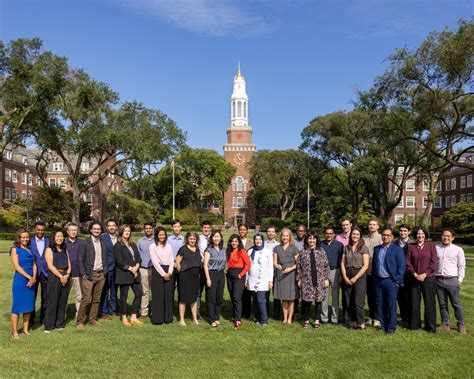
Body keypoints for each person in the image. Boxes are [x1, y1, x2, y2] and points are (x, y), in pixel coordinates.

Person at [372, 228, 406, 335]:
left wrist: (397, 280)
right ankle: (383, 325)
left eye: (388, 235)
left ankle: (391, 327)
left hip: (390, 281)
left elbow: (402, 266)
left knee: (391, 305)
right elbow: (374, 264)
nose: (385, 237)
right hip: (378, 280)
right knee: (381, 304)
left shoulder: (397, 249)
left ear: (391, 237)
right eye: (384, 235)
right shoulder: (376, 248)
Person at [406, 226, 438, 332]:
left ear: (425, 235)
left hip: (428, 279)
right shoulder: (410, 246)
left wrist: (425, 274)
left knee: (429, 302)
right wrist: (415, 274)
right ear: (415, 235)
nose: (420, 235)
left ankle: (430, 326)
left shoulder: (431, 246)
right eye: (418, 234)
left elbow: (434, 262)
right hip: (414, 278)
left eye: (422, 233)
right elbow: (407, 262)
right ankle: (415, 325)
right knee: (414, 302)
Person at [76, 221, 108, 331]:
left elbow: (105, 258)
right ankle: (80, 321)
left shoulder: (102, 242)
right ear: (90, 230)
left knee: (96, 299)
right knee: (86, 299)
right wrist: (83, 274)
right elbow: (80, 260)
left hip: (101, 274)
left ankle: (92, 319)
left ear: (101, 231)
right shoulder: (85, 243)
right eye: (94, 228)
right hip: (89, 275)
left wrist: (105, 272)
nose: (96, 230)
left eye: (98, 229)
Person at [297, 230, 330, 329]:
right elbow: (299, 266)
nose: (311, 240)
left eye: (313, 238)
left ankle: (316, 320)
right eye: (309, 238)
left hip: (319, 280)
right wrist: (299, 279)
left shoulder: (321, 251)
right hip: (307, 280)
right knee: (307, 301)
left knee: (318, 301)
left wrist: (326, 279)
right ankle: (306, 319)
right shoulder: (303, 252)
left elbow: (326, 266)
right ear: (307, 240)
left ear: (316, 240)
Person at [435, 228, 466, 334]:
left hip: (452, 280)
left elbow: (461, 266)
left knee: (456, 304)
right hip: (438, 279)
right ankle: (445, 324)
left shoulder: (458, 250)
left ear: (453, 238)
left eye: (448, 236)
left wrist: (460, 280)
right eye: (444, 235)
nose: (445, 237)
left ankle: (461, 324)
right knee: (442, 304)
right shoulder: (436, 248)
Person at [113, 225, 143, 326]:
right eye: (125, 231)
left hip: (135, 273)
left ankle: (134, 317)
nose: (127, 232)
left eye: (128, 231)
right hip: (124, 274)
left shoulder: (133, 244)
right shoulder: (117, 246)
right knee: (124, 297)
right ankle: (124, 317)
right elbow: (119, 261)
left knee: (139, 293)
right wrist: (131, 269)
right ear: (121, 232)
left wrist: (137, 267)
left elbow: (138, 257)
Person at [341, 227, 369, 330]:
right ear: (350, 235)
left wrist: (355, 278)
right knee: (349, 301)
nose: (355, 236)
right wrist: (344, 276)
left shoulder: (364, 248)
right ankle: (352, 322)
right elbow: (342, 264)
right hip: (347, 274)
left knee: (358, 301)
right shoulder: (346, 247)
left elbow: (365, 266)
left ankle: (361, 323)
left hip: (359, 274)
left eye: (357, 234)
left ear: (360, 236)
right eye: (353, 234)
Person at [10, 229, 36, 340]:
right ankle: (15, 333)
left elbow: (34, 265)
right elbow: (17, 266)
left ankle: (25, 330)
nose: (25, 239)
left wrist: (34, 278)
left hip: (31, 280)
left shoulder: (30, 250)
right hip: (20, 280)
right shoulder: (15, 249)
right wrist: (29, 277)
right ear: (19, 238)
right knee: (17, 307)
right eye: (23, 237)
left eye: (27, 237)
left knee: (28, 306)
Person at [44, 230, 72, 333]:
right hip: (55, 277)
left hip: (65, 277)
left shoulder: (65, 250)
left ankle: (60, 324)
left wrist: (67, 275)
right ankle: (49, 326)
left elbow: (69, 265)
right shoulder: (49, 250)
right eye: (58, 236)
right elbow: (50, 266)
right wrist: (61, 276)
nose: (60, 238)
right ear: (53, 237)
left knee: (62, 301)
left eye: (61, 236)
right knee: (53, 301)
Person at [246, 233, 273, 327]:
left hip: (263, 280)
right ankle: (257, 318)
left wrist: (270, 280)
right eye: (256, 239)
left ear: (262, 240)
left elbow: (270, 267)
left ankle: (264, 320)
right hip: (252, 279)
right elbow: (247, 266)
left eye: (260, 240)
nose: (258, 241)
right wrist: (246, 279)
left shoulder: (267, 251)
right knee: (255, 300)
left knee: (261, 300)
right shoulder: (250, 251)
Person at [273, 228, 299, 325]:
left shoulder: (294, 248)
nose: (285, 237)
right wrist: (277, 265)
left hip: (291, 274)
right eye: (283, 235)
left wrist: (291, 269)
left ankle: (289, 318)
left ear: (289, 237)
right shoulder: (277, 248)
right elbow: (274, 262)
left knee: (291, 298)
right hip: (281, 274)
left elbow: (298, 263)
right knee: (284, 298)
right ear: (281, 236)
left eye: (286, 236)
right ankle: (284, 318)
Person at [176, 231, 202, 326]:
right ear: (187, 239)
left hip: (195, 277)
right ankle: (181, 320)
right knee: (183, 298)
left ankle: (194, 318)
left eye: (194, 239)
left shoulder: (198, 249)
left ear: (196, 240)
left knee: (194, 298)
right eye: (190, 239)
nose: (192, 240)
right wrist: (181, 273)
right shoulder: (183, 249)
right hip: (184, 277)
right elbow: (177, 262)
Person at [149, 227, 174, 325]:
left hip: (169, 271)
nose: (162, 236)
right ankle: (158, 319)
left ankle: (168, 318)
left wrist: (170, 272)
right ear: (157, 236)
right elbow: (155, 262)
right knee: (158, 295)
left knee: (168, 295)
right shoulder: (152, 246)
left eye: (163, 234)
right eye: (160, 235)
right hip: (158, 272)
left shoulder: (169, 246)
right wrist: (163, 274)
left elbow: (172, 259)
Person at [226, 234, 251, 329]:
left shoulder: (242, 251)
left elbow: (248, 265)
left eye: (236, 241)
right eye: (232, 241)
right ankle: (234, 315)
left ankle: (238, 320)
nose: (234, 243)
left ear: (239, 242)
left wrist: (241, 274)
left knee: (237, 297)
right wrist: (227, 269)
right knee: (232, 296)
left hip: (239, 275)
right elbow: (229, 262)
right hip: (230, 274)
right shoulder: (229, 251)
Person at [320, 226, 344, 324]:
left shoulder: (339, 245)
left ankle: (335, 318)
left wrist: (341, 274)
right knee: (324, 296)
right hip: (323, 271)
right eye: (327, 233)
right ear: (325, 234)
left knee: (335, 296)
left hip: (335, 271)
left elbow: (342, 260)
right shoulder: (321, 244)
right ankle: (324, 318)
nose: (329, 235)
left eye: (331, 233)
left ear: (334, 234)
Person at [203, 230, 226, 327]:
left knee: (219, 298)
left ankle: (216, 317)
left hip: (221, 274)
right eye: (214, 237)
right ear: (211, 238)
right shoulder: (209, 250)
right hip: (211, 274)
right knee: (211, 297)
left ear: (220, 238)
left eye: (218, 236)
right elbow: (205, 265)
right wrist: (208, 279)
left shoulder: (223, 249)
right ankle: (212, 319)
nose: (216, 238)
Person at [364, 218, 383, 328]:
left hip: (377, 271)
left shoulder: (381, 238)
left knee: (377, 296)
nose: (371, 226)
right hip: (366, 271)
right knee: (369, 295)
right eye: (370, 224)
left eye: (374, 224)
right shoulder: (364, 239)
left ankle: (377, 318)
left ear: (377, 226)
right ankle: (371, 316)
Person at [30, 221, 49, 326]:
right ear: (35, 230)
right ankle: (31, 321)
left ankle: (44, 319)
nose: (40, 232)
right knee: (32, 297)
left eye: (42, 230)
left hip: (46, 273)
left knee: (45, 298)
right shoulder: (30, 241)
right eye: (38, 229)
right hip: (33, 274)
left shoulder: (49, 240)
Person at [394, 223, 413, 327]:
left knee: (408, 298)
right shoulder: (394, 244)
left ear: (409, 232)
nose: (403, 233)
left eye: (405, 231)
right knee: (399, 297)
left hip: (408, 275)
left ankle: (409, 318)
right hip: (396, 275)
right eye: (401, 231)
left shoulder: (412, 244)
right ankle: (402, 317)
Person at [99, 219, 118, 320]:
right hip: (107, 268)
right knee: (105, 291)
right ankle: (104, 312)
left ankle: (113, 310)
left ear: (116, 227)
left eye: (113, 225)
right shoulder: (102, 237)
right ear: (107, 227)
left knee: (114, 291)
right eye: (109, 225)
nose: (111, 227)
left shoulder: (120, 237)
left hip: (118, 269)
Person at [136, 222, 155, 319]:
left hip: (155, 269)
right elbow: (137, 255)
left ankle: (155, 311)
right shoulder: (140, 241)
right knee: (145, 291)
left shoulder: (157, 240)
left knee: (155, 291)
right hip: (143, 269)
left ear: (152, 229)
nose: (148, 230)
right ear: (144, 230)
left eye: (149, 228)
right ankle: (144, 312)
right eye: (146, 228)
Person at [65, 222, 83, 319]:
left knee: (79, 296)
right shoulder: (63, 242)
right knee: (64, 296)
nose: (73, 232)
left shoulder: (82, 243)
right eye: (71, 230)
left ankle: (79, 315)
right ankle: (62, 315)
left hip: (78, 273)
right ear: (68, 232)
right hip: (66, 274)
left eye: (75, 230)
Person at [197, 220, 212, 319]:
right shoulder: (198, 238)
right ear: (202, 228)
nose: (206, 229)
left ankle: (209, 311)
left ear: (210, 228)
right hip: (200, 267)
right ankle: (197, 312)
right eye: (204, 228)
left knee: (210, 291)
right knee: (198, 290)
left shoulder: (215, 237)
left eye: (208, 228)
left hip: (211, 268)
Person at [265, 225, 280, 320]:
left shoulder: (278, 245)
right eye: (269, 231)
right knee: (265, 294)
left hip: (276, 272)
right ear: (266, 233)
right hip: (265, 273)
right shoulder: (263, 244)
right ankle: (265, 312)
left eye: (272, 231)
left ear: (275, 233)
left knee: (276, 294)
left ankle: (276, 314)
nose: (271, 233)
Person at [239, 223, 253, 320]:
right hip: (238, 268)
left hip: (248, 268)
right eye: (241, 230)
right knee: (238, 292)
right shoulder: (236, 240)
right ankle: (238, 311)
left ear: (247, 231)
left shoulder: (251, 242)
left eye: (244, 229)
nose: (242, 231)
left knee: (247, 291)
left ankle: (246, 312)